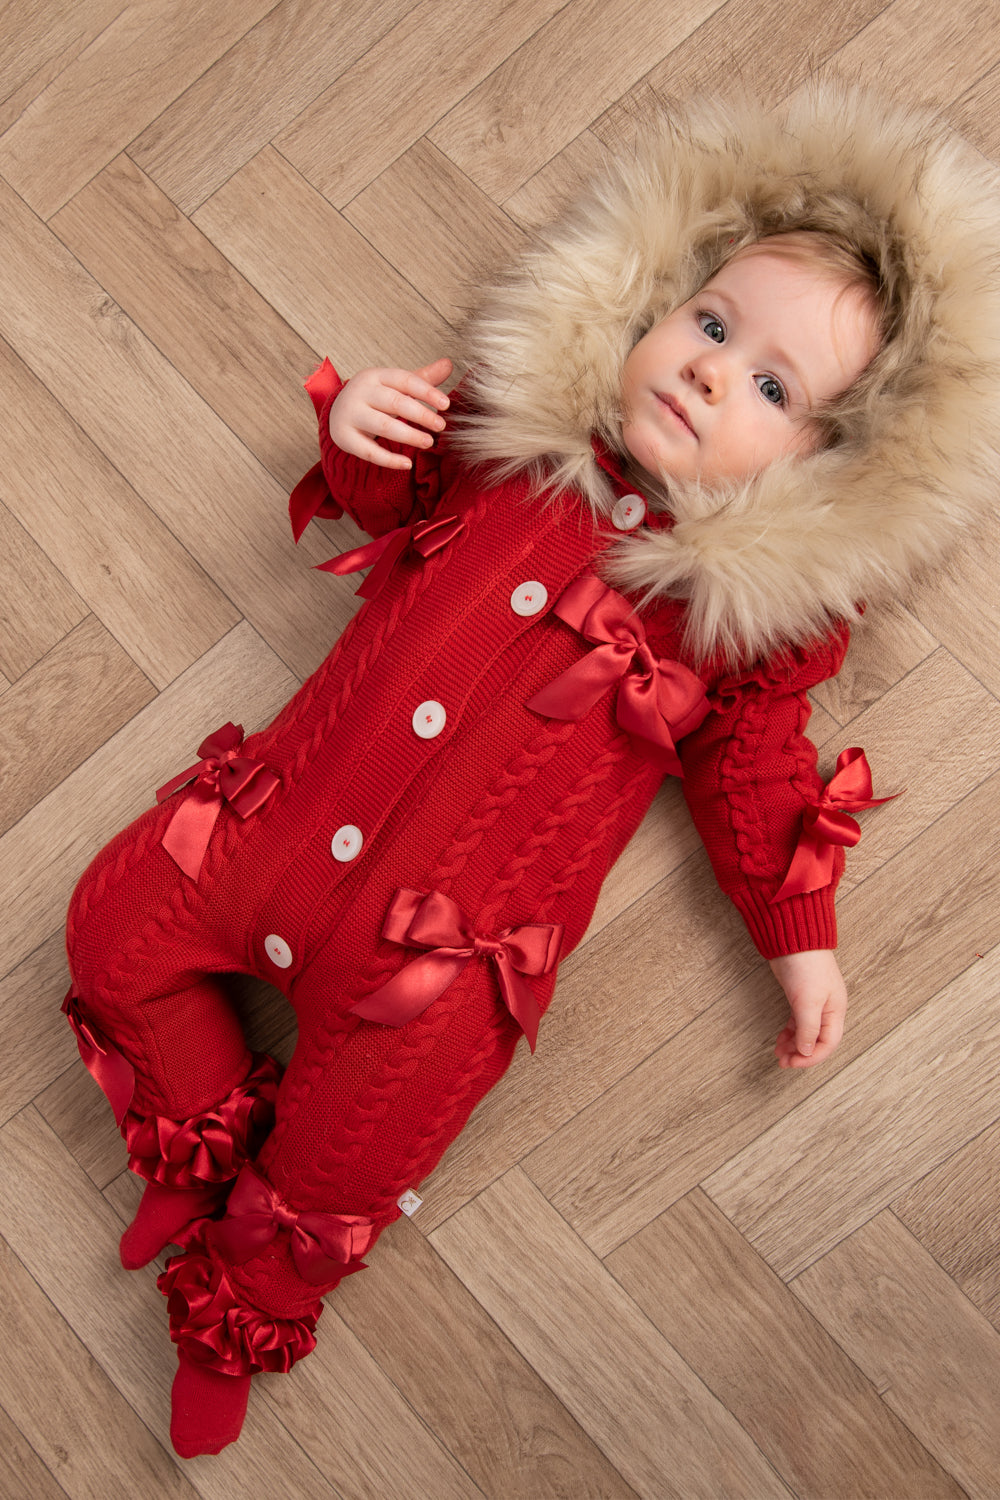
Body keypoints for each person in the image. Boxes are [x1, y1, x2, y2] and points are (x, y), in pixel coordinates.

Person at [61, 87, 1000, 1457]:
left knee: (345, 1174)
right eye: (713, 324)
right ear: (654, 304)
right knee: (107, 930)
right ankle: (204, 1129)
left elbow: (753, 779)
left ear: (819, 467)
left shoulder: (736, 624)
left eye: (773, 388)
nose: (708, 372)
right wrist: (366, 432)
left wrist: (799, 941)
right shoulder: (513, 448)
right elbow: (388, 507)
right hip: (260, 829)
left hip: (431, 982)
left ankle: (244, 1291)